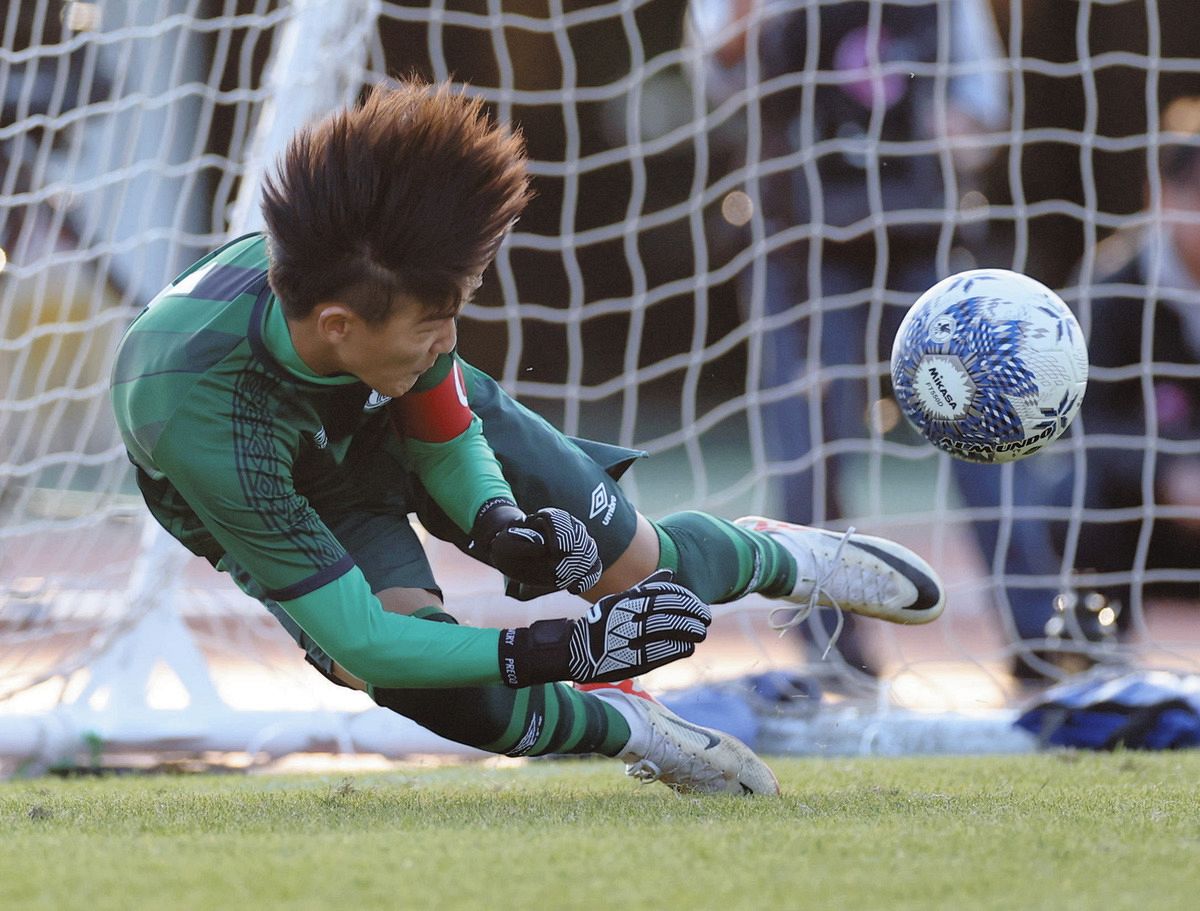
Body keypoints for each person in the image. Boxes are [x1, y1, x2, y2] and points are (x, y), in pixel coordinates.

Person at [109, 80, 945, 795]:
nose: (449, 338)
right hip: (295, 489)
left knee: (630, 567)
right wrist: (566, 648)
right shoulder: (201, 418)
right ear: (337, 327)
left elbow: (440, 432)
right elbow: (367, 638)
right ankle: (628, 728)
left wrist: (496, 521)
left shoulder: (381, 290)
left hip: (380, 414)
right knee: (419, 676)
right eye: (437, 323)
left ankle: (779, 558)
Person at [695, 0, 1005, 673]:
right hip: (797, 231)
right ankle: (833, 652)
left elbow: (982, 112)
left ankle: (1041, 636)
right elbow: (717, 79)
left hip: (922, 227)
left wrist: (952, 130)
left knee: (987, 419)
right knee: (809, 441)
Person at [999, 98, 1200, 675]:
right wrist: (1168, 474)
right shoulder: (1110, 289)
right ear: (1159, 195)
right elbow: (1078, 425)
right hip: (1145, 517)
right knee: (1068, 494)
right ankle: (1084, 662)